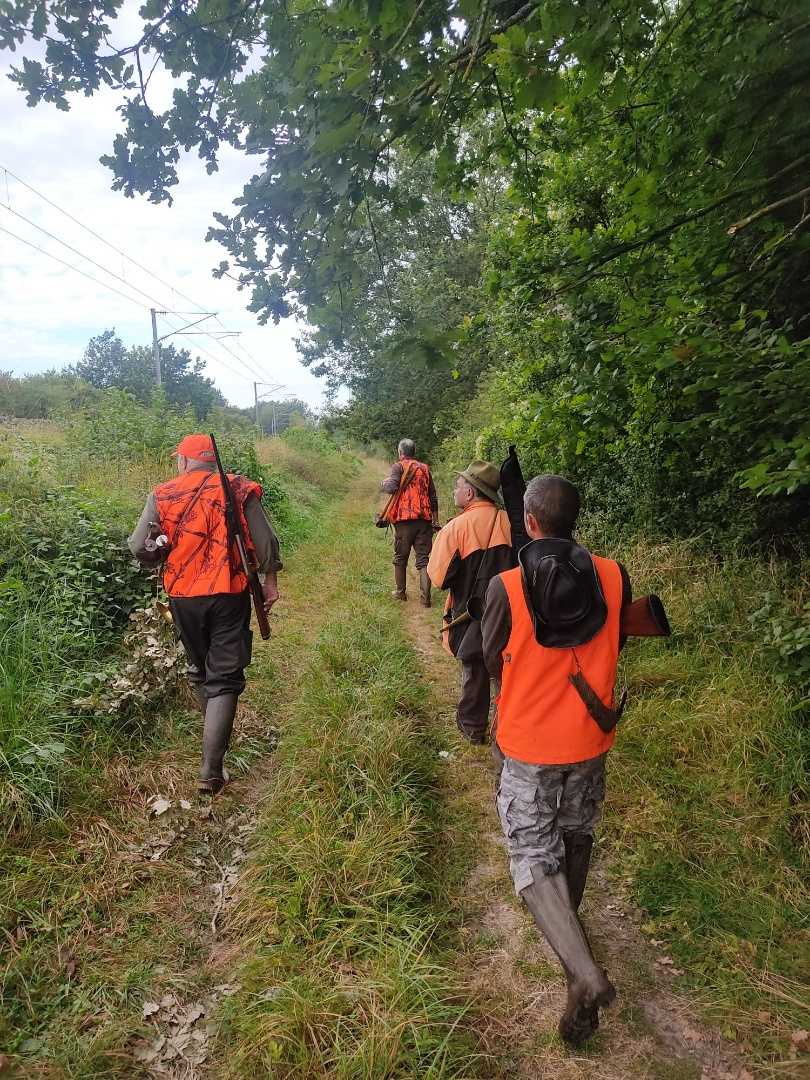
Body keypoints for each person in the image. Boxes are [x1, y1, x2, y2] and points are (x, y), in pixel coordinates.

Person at [481, 474, 632, 1045]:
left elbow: (492, 661)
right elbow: (614, 639)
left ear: (530, 522)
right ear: (575, 520)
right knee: (576, 832)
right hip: (591, 739)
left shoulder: (508, 586)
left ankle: (583, 973)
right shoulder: (613, 575)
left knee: (532, 853)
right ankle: (576, 951)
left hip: (529, 745)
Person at [128, 433, 282, 794]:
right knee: (225, 676)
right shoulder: (239, 488)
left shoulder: (163, 493)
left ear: (184, 461)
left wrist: (159, 554)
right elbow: (265, 541)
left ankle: (213, 746)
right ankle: (212, 769)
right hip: (229, 592)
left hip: (183, 596)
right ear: (212, 460)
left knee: (200, 670)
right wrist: (270, 580)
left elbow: (139, 547)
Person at [427, 460, 513, 744]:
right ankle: (509, 731)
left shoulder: (455, 529)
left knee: (474, 667)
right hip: (512, 614)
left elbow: (438, 577)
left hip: (470, 612)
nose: (455, 488)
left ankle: (473, 727)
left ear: (471, 493)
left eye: (459, 484)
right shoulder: (512, 522)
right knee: (508, 671)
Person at [379, 438, 440, 606]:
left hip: (404, 522)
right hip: (424, 521)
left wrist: (382, 484)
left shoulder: (398, 466)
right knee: (423, 559)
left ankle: (400, 593)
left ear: (400, 452)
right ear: (414, 452)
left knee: (400, 557)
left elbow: (391, 487)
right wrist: (435, 520)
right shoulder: (425, 469)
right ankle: (425, 599)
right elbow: (433, 496)